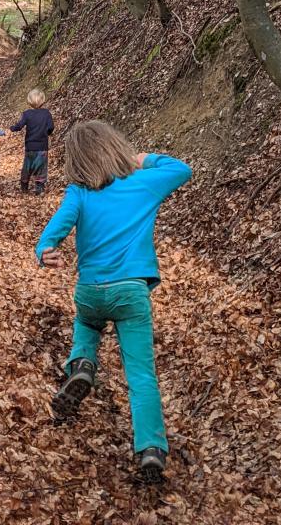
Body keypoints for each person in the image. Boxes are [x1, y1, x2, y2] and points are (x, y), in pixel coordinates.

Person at [35, 120, 191, 483]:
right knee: (141, 375)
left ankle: (82, 364)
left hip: (91, 291)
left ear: (78, 160)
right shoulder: (143, 183)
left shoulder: (79, 192)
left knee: (86, 322)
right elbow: (182, 169)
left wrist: (46, 250)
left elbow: (57, 226)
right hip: (131, 294)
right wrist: (144, 158)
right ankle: (151, 448)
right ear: (114, 147)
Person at [10, 88, 54, 194]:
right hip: (42, 146)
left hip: (30, 146)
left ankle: (24, 184)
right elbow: (51, 127)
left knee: (28, 166)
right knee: (41, 167)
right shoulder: (46, 113)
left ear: (29, 101)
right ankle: (39, 186)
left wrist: (12, 128)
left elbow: (19, 126)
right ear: (43, 100)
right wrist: (47, 133)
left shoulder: (27, 114)